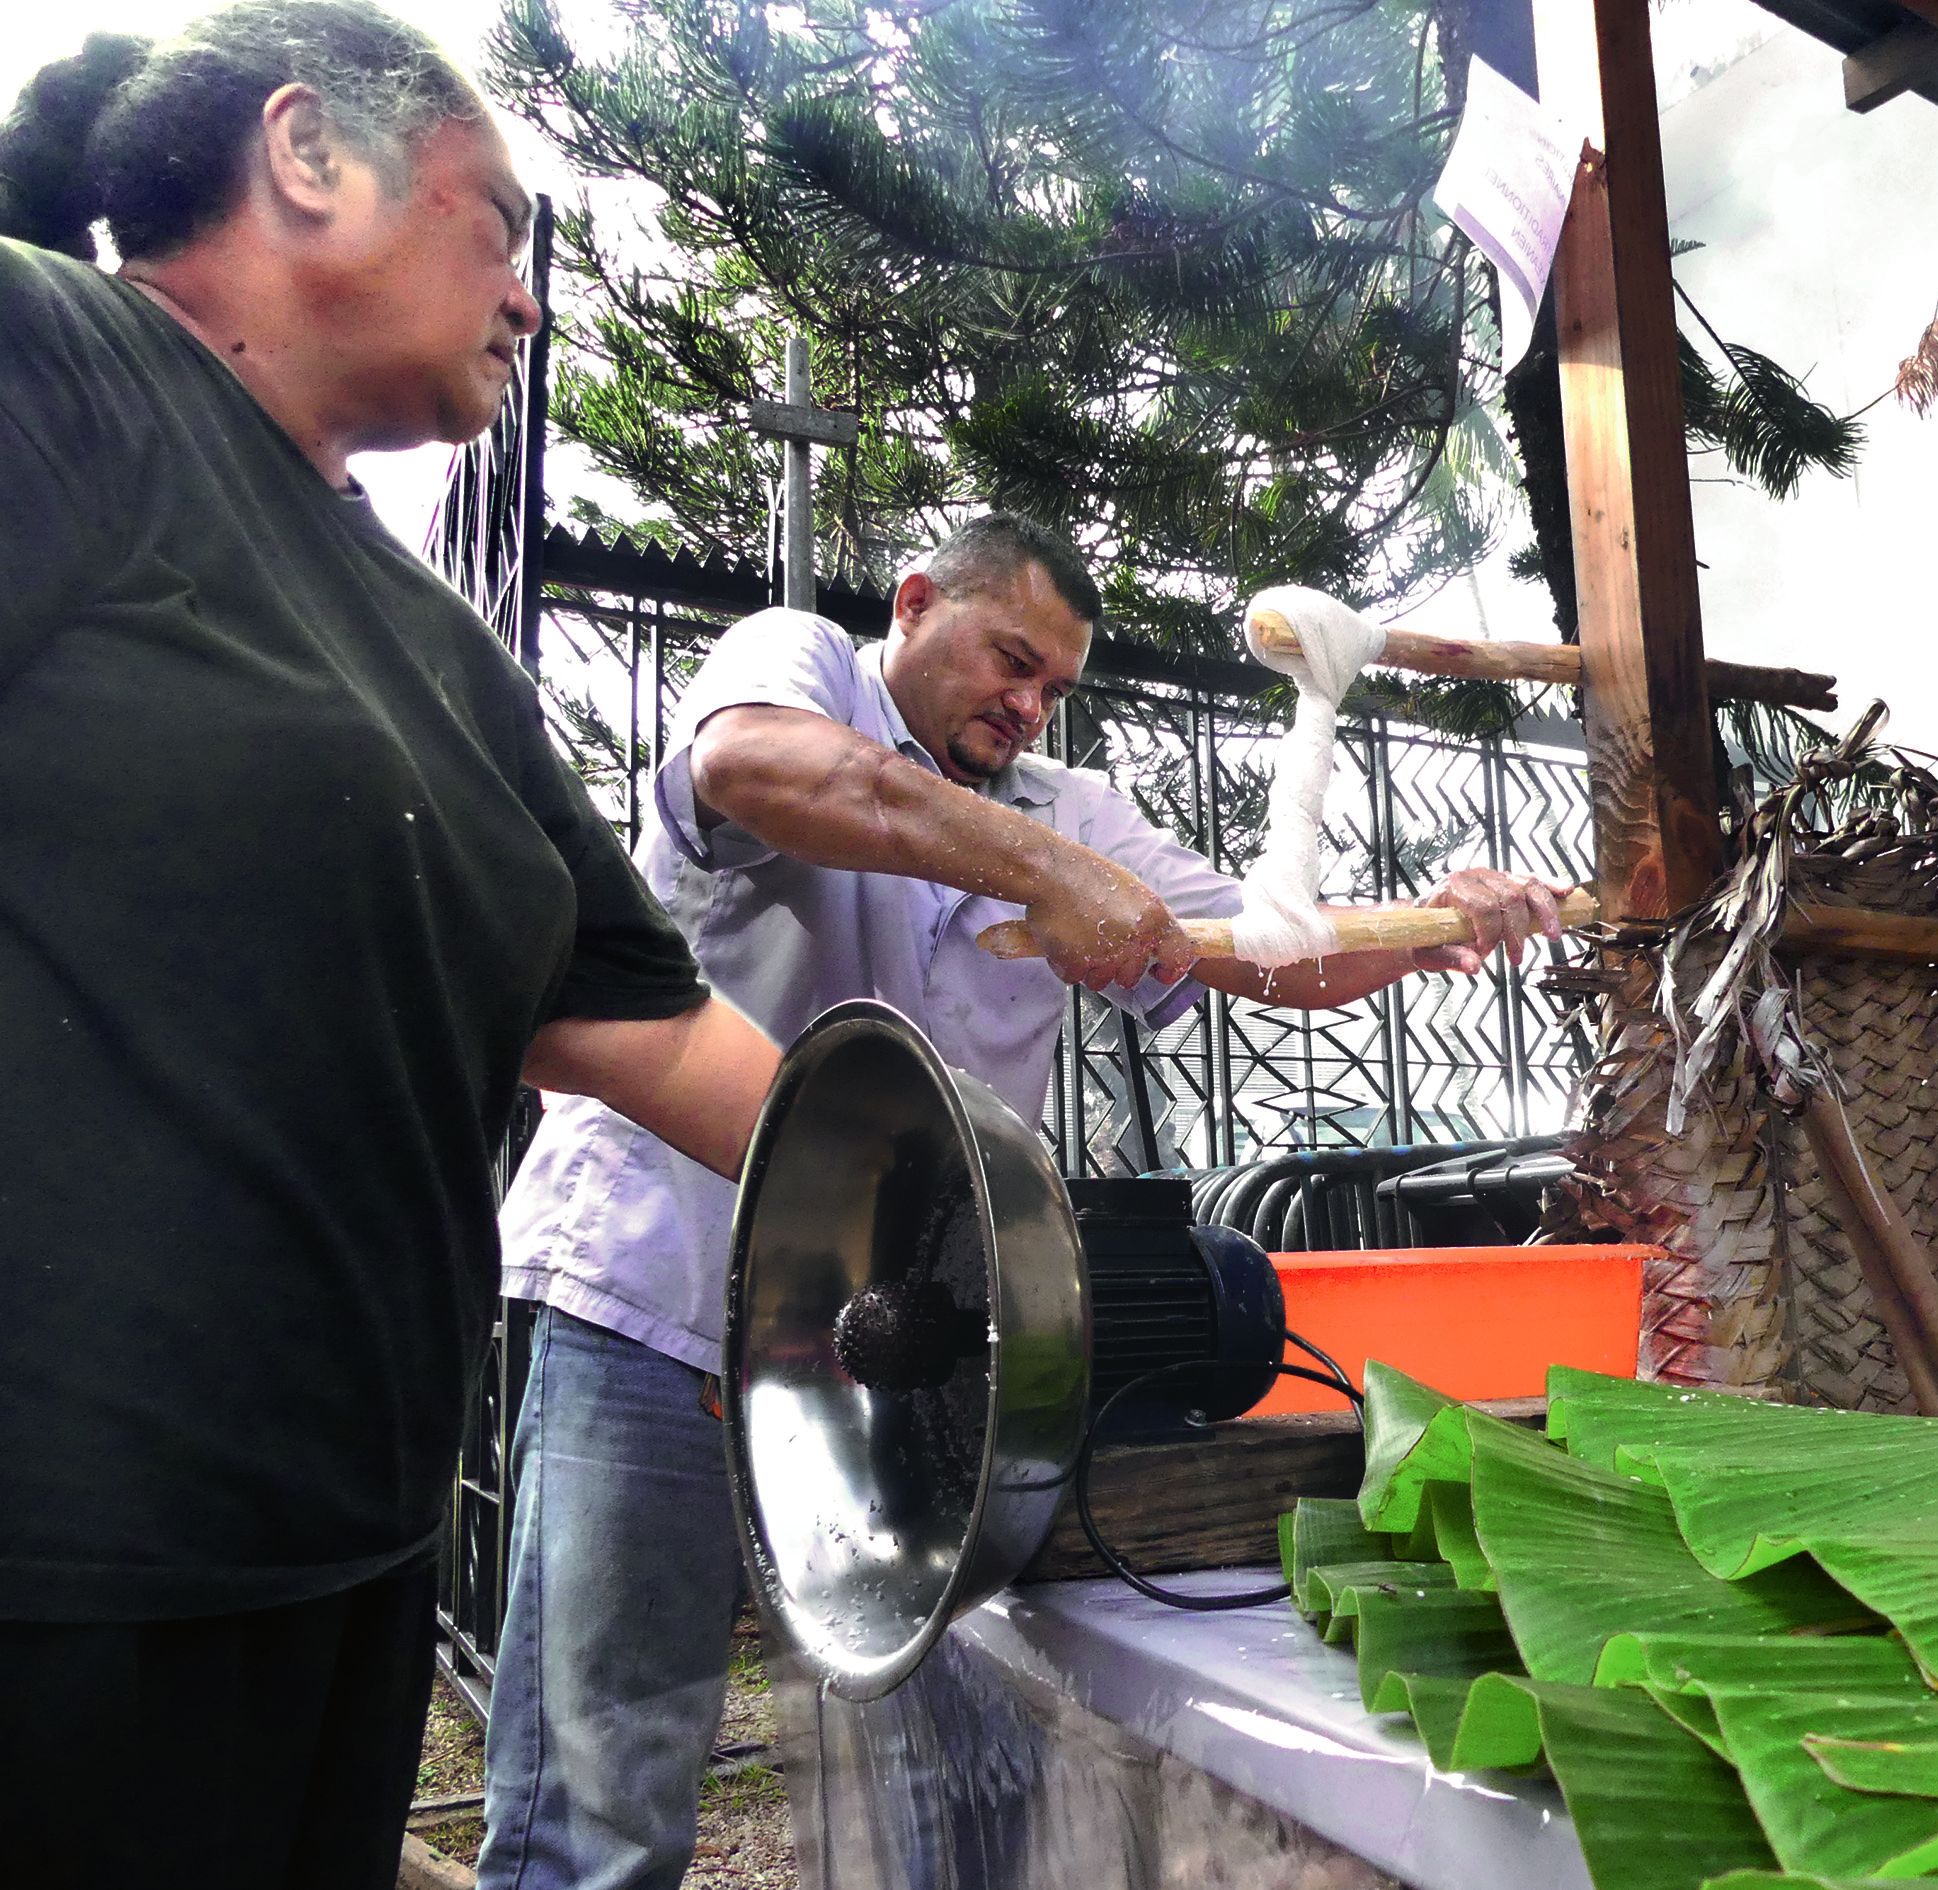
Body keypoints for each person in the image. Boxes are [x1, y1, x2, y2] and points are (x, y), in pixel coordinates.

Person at [0, 10, 807, 1887]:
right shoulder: (63, 360)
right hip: (63, 1577)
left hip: (340, 1569)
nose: (529, 300)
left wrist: (983, 1209)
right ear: (309, 157)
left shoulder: (441, 656)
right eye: (501, 228)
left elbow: (654, 1030)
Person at [479, 511, 1569, 1890]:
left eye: (1055, 685)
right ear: (917, 602)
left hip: (891, 1360)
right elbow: (761, 768)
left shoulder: (1073, 808)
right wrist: (1045, 873)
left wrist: (1433, 926)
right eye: (1010, 658)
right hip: (667, 1302)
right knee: (605, 1783)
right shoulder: (796, 661)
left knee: (934, 1767)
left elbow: (1264, 948)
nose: (1029, 701)